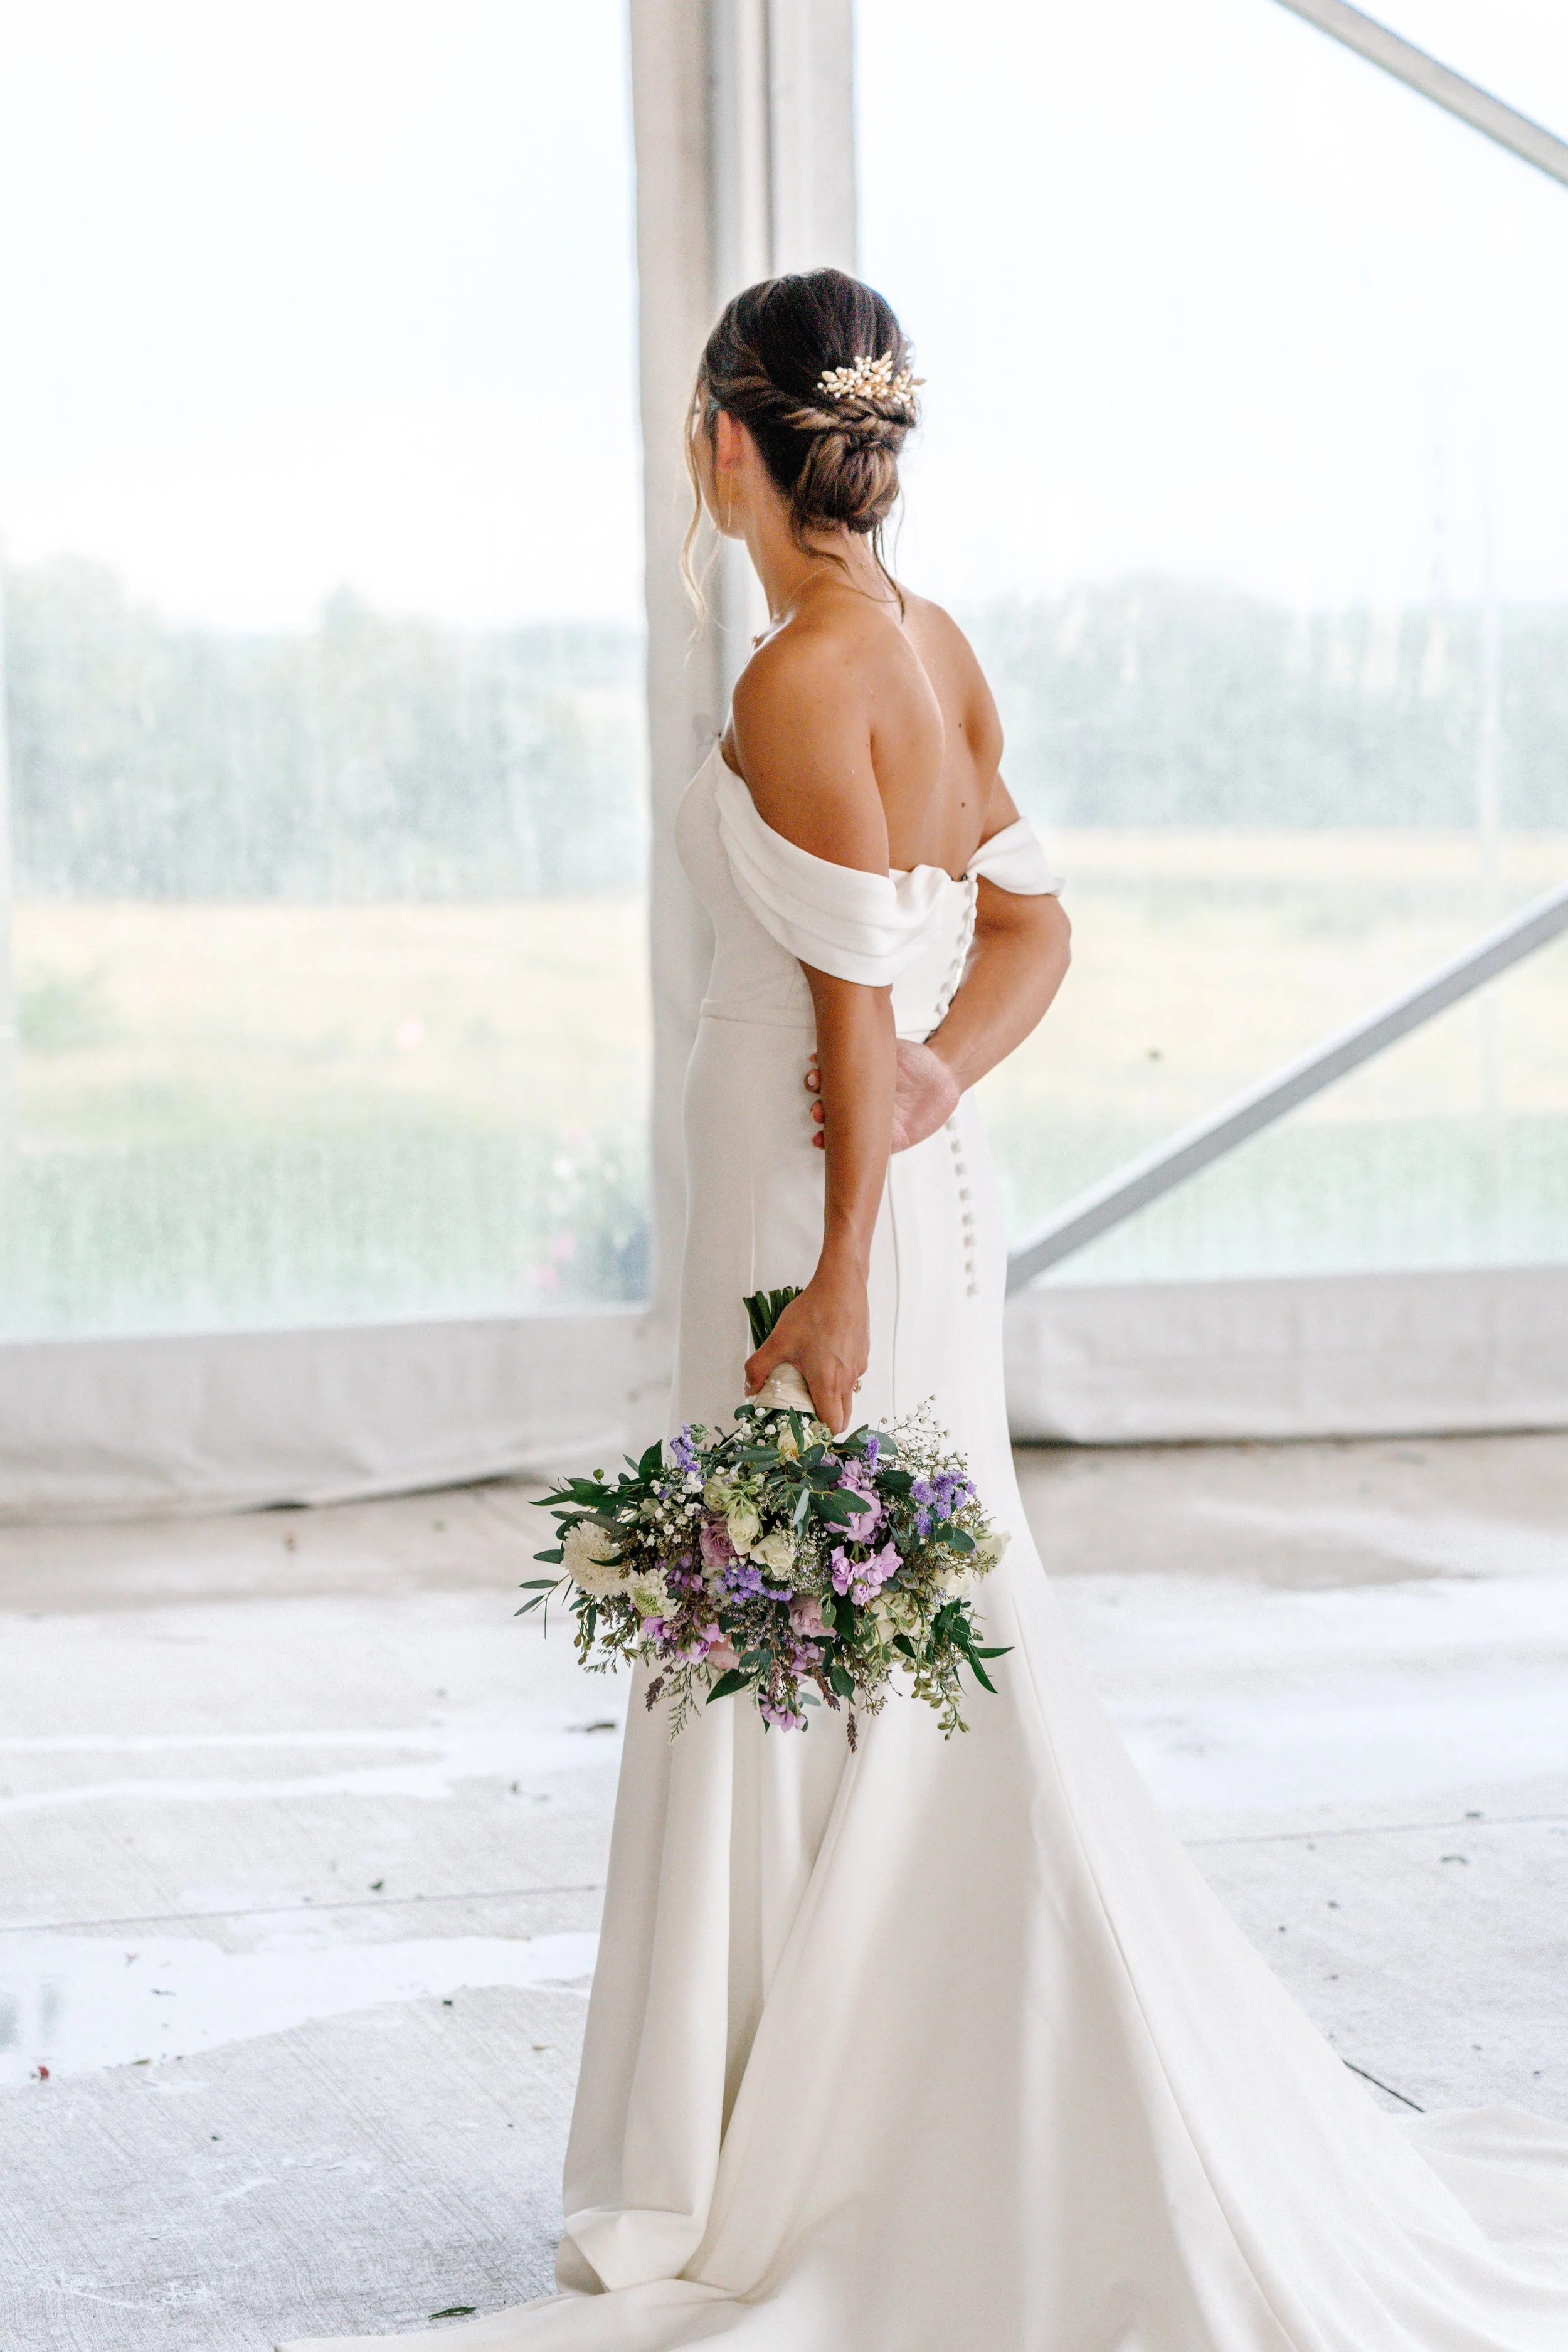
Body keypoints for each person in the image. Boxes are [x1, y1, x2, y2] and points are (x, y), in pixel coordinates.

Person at [283, 270, 1568, 2350]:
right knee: (891, 1642)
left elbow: (837, 1017)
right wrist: (950, 1081)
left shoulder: (798, 678)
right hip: (892, 1179)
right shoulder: (932, 645)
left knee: (801, 1636)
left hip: (823, 1221)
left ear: (726, 439)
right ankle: (840, 2082)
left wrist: (841, 1273)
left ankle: (800, 2141)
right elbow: (1030, 928)